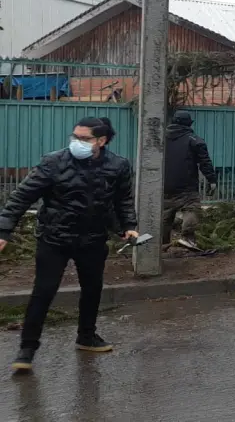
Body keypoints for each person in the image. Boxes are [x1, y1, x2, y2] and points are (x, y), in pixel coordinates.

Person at [0, 117, 138, 373]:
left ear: (101, 140)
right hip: (54, 238)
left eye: (84, 138)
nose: (77, 142)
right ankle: (27, 350)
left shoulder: (118, 166)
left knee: (92, 289)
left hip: (93, 239)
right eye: (74, 137)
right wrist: (4, 229)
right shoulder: (54, 162)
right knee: (44, 291)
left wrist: (127, 226)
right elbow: (22, 195)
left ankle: (86, 337)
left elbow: (122, 201)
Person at [163, 110, 216, 251]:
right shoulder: (194, 140)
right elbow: (205, 162)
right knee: (191, 208)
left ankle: (161, 245)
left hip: (164, 185)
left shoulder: (160, 139)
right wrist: (212, 180)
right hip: (187, 186)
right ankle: (187, 237)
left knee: (165, 214)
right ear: (188, 123)